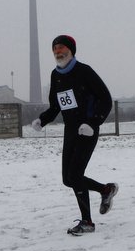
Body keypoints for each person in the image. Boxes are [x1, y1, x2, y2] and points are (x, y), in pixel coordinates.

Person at [31, 34, 118, 235]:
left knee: (75, 175)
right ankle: (106, 190)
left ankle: (87, 222)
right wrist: (42, 120)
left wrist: (93, 122)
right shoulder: (56, 75)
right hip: (70, 130)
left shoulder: (84, 71)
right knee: (68, 179)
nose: (57, 52)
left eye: (61, 48)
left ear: (71, 50)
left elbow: (105, 99)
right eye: (54, 49)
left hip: (87, 130)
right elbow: (56, 105)